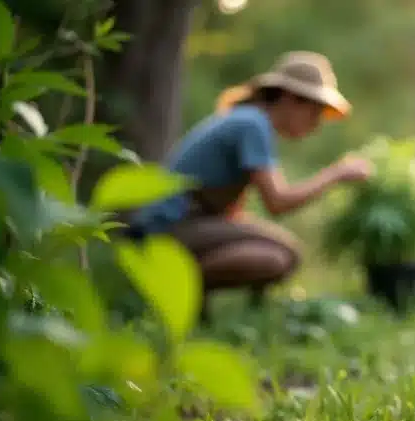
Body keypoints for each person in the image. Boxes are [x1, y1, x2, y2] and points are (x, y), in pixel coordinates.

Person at [127, 51, 373, 323]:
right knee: (282, 256)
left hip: (177, 224)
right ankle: (174, 288)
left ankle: (196, 300)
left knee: (277, 247)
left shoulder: (247, 120)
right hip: (163, 227)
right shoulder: (253, 125)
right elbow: (277, 202)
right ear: (290, 99)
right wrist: (336, 174)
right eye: (314, 113)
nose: (315, 126)